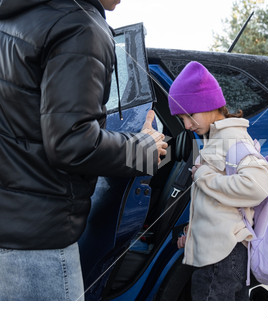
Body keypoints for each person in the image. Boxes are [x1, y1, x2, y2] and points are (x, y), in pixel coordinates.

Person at [0, 0, 167, 301]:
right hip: (39, 249)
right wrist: (144, 148)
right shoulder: (79, 25)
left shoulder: (14, 20)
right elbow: (71, 144)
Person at [170, 61, 268, 300]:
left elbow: (257, 186)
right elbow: (217, 207)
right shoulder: (216, 139)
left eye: (189, 115)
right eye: (182, 118)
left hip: (223, 258)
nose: (186, 125)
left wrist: (204, 177)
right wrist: (192, 235)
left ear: (209, 104)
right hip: (219, 254)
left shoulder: (232, 138)